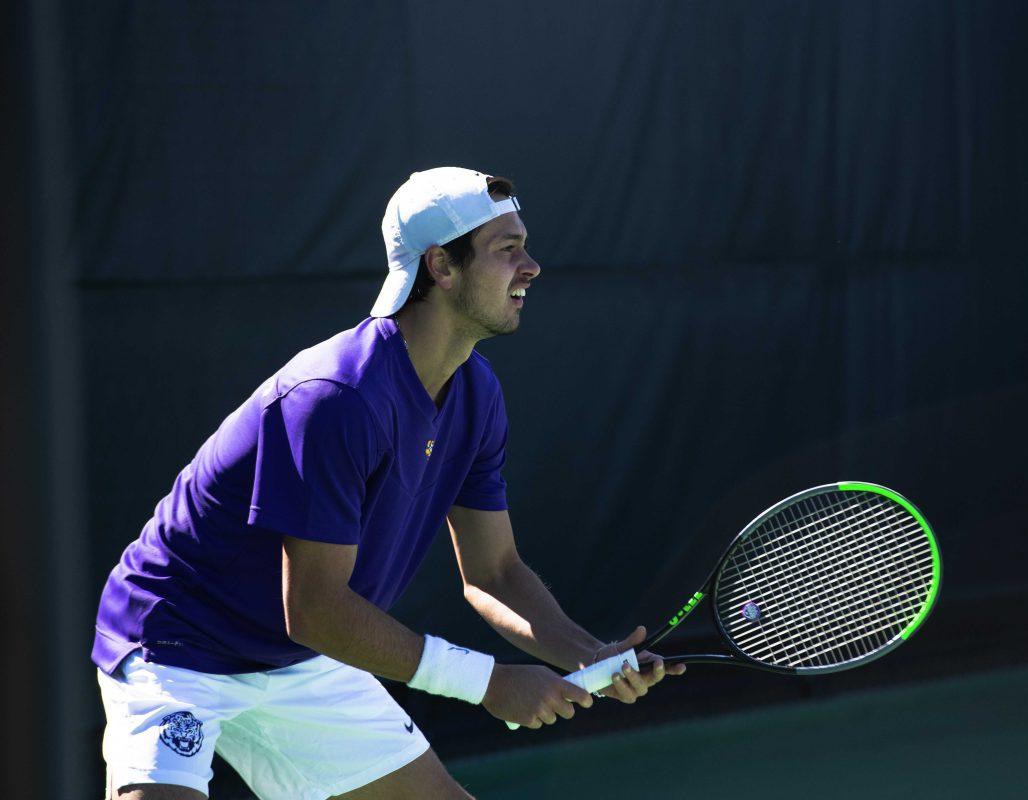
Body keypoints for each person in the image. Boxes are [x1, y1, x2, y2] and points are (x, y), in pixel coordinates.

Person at [92, 167, 684, 800]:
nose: (532, 266)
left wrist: (590, 655)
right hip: (179, 643)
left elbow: (496, 573)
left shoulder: (477, 394)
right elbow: (315, 608)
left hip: (300, 661)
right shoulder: (335, 397)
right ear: (442, 267)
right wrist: (486, 682)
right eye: (507, 250)